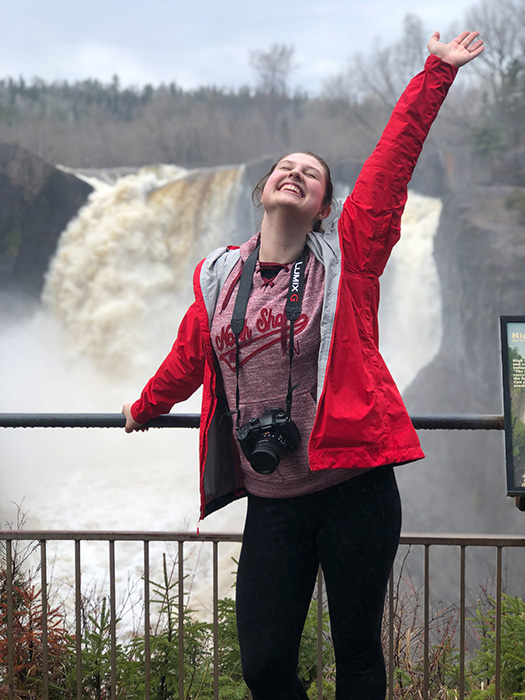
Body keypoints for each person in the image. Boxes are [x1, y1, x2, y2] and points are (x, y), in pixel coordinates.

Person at [123, 30, 484, 700]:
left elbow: (390, 163)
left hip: (355, 493)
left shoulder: (349, 262)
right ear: (263, 189)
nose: (294, 172)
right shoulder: (218, 277)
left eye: (310, 172)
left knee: (356, 657)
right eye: (283, 167)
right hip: (273, 503)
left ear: (323, 205)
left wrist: (435, 72)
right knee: (262, 665)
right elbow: (187, 359)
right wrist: (144, 408)